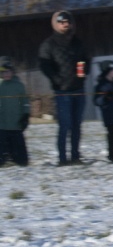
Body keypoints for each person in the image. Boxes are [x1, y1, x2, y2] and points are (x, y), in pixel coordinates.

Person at [38, 9, 90, 165]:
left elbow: (86, 59)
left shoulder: (77, 42)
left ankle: (75, 156)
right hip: (62, 91)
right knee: (65, 125)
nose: (64, 24)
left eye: (67, 22)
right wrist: (56, 79)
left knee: (76, 125)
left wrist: (84, 72)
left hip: (78, 89)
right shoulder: (48, 44)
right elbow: (44, 65)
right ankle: (62, 158)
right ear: (56, 24)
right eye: (61, 22)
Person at [0, 57, 30, 167]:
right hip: (2, 125)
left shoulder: (19, 86)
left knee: (21, 160)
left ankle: (18, 159)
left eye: (8, 71)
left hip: (16, 124)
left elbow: (25, 102)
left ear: (12, 71)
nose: (6, 74)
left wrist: (25, 115)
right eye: (3, 72)